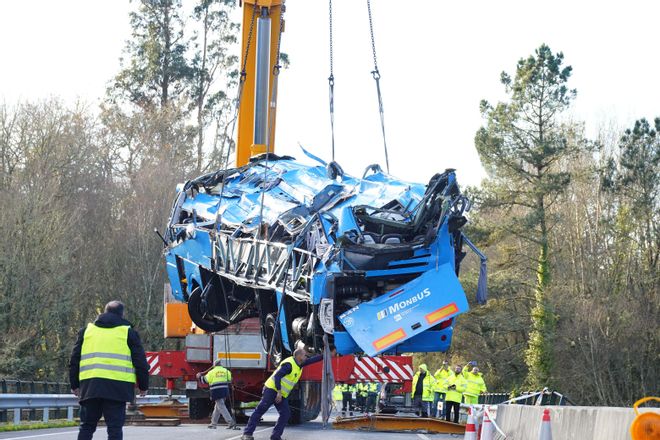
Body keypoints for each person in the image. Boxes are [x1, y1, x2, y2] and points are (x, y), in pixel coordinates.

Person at [69, 301, 149, 440]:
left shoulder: (87, 332)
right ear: (121, 314)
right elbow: (140, 363)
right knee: (114, 429)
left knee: (86, 427)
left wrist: (74, 384)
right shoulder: (128, 333)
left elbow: (74, 360)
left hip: (90, 387)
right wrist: (143, 386)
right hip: (117, 389)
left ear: (104, 312)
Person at [241, 346, 333, 440]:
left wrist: (326, 354)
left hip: (280, 394)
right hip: (272, 390)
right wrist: (279, 393)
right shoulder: (289, 365)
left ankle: (275, 437)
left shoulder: (299, 364)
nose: (307, 357)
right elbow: (277, 377)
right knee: (260, 410)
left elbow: (313, 360)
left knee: (285, 414)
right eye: (305, 355)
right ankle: (247, 434)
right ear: (299, 356)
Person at [196, 359, 237, 429]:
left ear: (214, 365)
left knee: (221, 407)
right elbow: (230, 379)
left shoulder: (211, 372)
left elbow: (204, 381)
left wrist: (199, 376)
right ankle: (213, 424)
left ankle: (231, 423)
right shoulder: (226, 371)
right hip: (224, 391)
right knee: (218, 407)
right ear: (220, 364)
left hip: (216, 391)